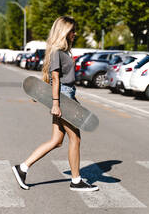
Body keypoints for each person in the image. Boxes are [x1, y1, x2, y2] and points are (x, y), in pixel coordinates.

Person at [12, 16, 99, 192]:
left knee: (57, 140)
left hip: (65, 95)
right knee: (75, 138)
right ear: (64, 32)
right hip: (63, 97)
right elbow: (55, 78)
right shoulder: (57, 52)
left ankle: (22, 168)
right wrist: (56, 103)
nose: (75, 33)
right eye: (72, 31)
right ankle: (76, 180)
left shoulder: (64, 51)